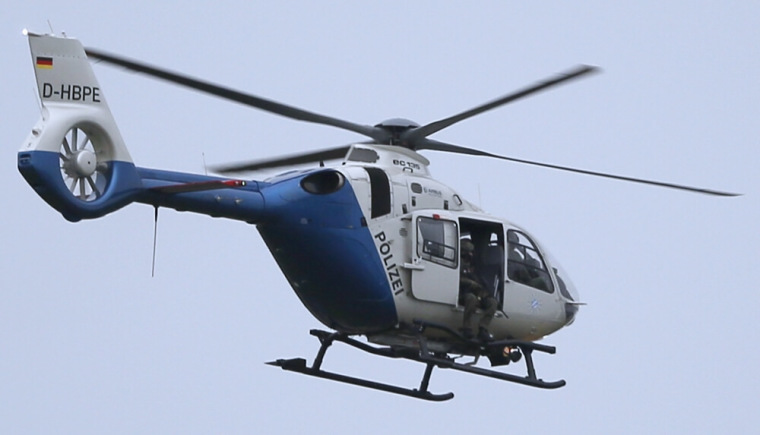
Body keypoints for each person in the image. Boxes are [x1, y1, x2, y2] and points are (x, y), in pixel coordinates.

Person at [459, 238, 497, 341]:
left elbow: (481, 281)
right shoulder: (458, 264)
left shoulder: (475, 266)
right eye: (468, 252)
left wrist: (485, 293)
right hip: (463, 293)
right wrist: (470, 283)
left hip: (477, 294)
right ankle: (466, 327)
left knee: (492, 303)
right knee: (471, 299)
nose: (470, 254)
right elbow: (457, 279)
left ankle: (483, 329)